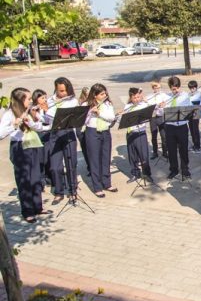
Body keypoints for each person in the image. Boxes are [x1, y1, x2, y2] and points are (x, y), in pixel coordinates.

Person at [0, 88, 50, 223]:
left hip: (33, 145)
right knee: (24, 180)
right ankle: (27, 211)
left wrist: (44, 118)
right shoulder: (10, 114)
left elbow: (37, 127)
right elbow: (1, 133)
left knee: (35, 177)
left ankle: (38, 207)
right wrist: (14, 124)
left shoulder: (29, 112)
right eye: (28, 99)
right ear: (21, 100)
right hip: (20, 148)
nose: (31, 101)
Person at [46, 77, 79, 205]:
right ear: (56, 89)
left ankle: (72, 191)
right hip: (55, 135)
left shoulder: (73, 100)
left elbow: (75, 117)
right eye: (61, 91)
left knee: (71, 164)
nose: (64, 93)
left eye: (65, 91)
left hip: (69, 134)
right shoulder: (49, 101)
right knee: (55, 167)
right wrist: (43, 110)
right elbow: (47, 119)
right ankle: (59, 192)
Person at [83, 83, 117, 197]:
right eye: (102, 94)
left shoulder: (108, 104)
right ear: (95, 95)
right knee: (94, 160)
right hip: (92, 132)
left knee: (106, 157)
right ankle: (97, 187)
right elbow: (83, 121)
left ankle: (107, 183)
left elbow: (111, 117)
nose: (104, 95)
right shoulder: (86, 105)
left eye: (105, 93)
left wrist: (99, 113)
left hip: (105, 132)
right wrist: (89, 112)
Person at [162, 76, 192, 180]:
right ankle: (173, 170)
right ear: (170, 88)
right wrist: (161, 107)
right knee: (171, 150)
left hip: (182, 126)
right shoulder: (165, 97)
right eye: (173, 89)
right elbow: (161, 113)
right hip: (170, 127)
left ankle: (185, 169)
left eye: (177, 88)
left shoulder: (185, 96)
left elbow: (190, 110)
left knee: (183, 149)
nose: (176, 90)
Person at [122, 87, 153, 184]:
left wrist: (146, 102)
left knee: (144, 155)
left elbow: (152, 112)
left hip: (140, 133)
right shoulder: (127, 107)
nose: (137, 99)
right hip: (131, 133)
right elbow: (123, 121)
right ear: (130, 97)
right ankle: (135, 173)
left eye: (138, 97)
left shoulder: (143, 105)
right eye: (134, 98)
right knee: (132, 155)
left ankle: (147, 174)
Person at [147, 82, 169, 159]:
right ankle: (155, 152)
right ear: (153, 88)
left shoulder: (163, 95)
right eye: (156, 88)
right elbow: (149, 105)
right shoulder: (149, 96)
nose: (158, 89)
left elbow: (167, 102)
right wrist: (157, 105)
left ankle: (165, 152)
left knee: (163, 136)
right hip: (153, 117)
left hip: (161, 116)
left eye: (159, 88)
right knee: (154, 136)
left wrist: (164, 104)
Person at [187, 80, 201, 153]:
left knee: (195, 130)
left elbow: (199, 103)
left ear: (196, 87)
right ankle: (194, 144)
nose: (192, 90)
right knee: (191, 130)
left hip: (196, 114)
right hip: (190, 114)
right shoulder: (188, 94)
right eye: (191, 88)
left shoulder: (199, 94)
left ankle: (198, 146)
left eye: (193, 88)